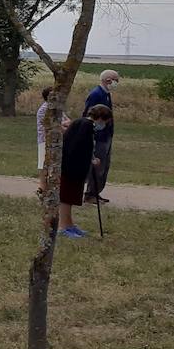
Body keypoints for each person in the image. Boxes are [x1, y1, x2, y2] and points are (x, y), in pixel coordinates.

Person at [59, 105, 113, 239]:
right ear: (100, 118)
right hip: (71, 168)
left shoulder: (84, 124)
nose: (104, 125)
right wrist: (91, 159)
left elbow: (86, 146)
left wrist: (92, 157)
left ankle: (69, 224)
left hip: (76, 169)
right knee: (66, 198)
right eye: (105, 122)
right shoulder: (86, 126)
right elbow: (78, 147)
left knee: (70, 199)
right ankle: (63, 227)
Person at [84, 69, 119, 204]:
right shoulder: (96, 94)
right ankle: (90, 194)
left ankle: (96, 192)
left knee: (104, 166)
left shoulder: (106, 94)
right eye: (116, 80)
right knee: (97, 166)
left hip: (106, 135)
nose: (117, 83)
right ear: (108, 80)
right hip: (99, 136)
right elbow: (89, 115)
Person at [35, 87, 71, 192]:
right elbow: (52, 125)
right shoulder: (44, 109)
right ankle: (42, 185)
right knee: (43, 163)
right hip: (45, 140)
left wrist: (63, 124)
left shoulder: (57, 109)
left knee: (56, 162)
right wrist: (63, 125)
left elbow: (67, 121)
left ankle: (54, 185)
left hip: (58, 140)